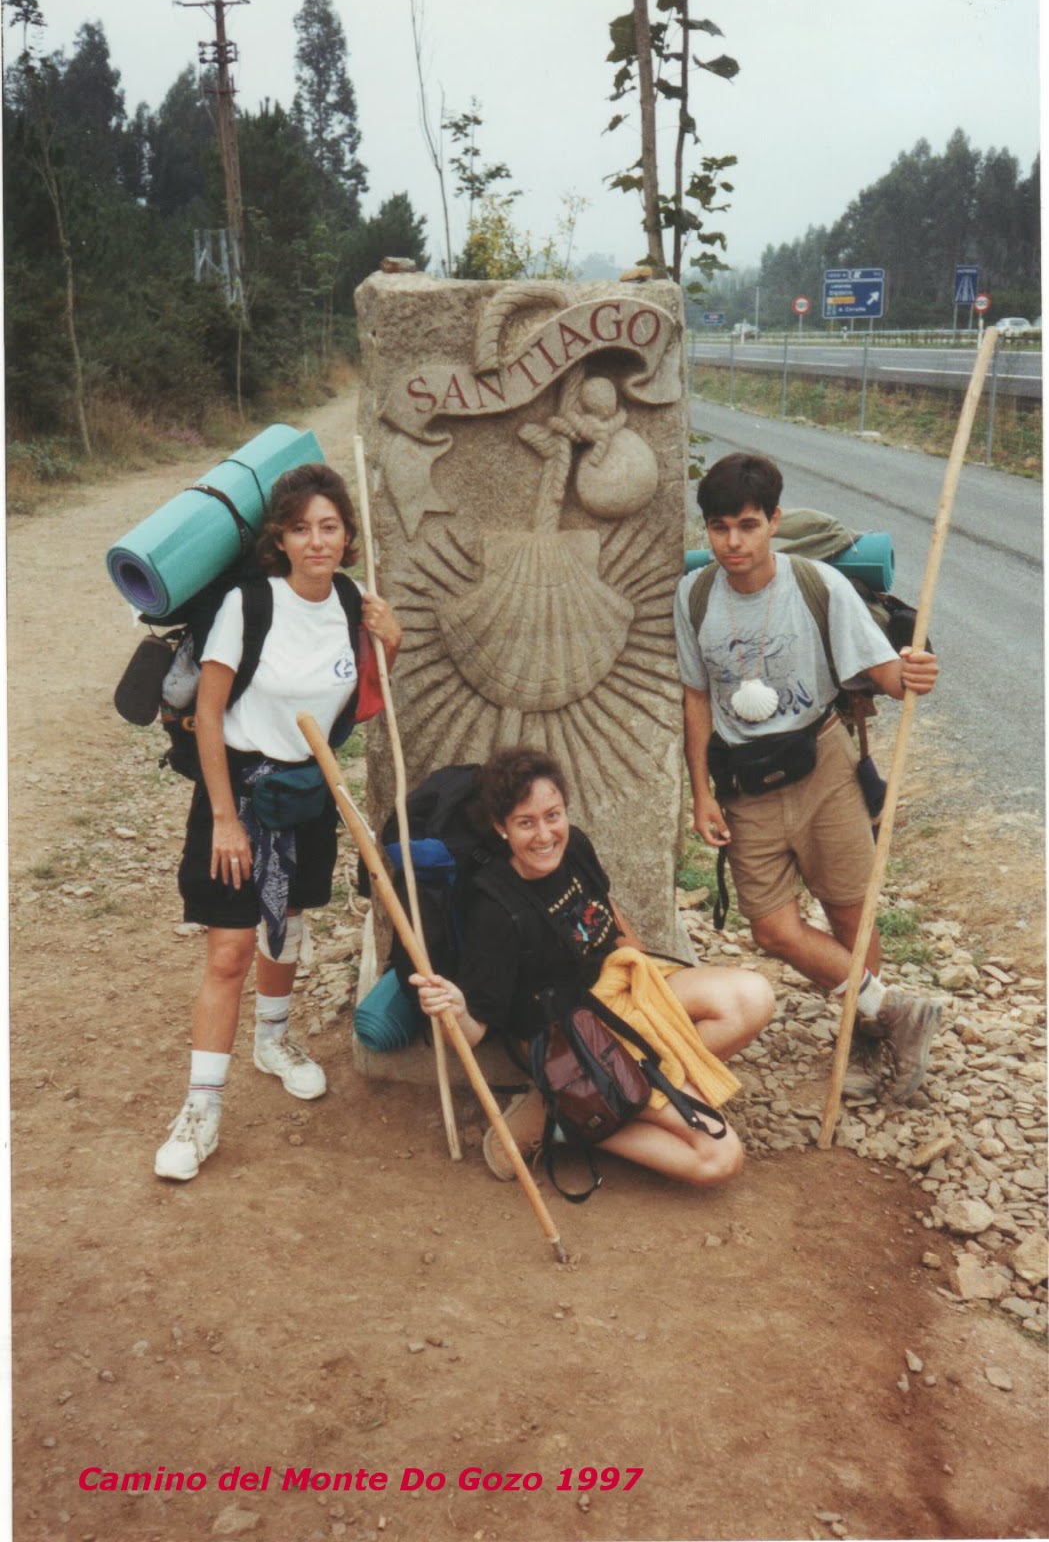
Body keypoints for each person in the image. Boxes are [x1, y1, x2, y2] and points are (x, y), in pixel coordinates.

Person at [155, 462, 402, 1181]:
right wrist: (225, 819)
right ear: (281, 539)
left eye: (329, 527)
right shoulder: (249, 605)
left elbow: (362, 704)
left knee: (288, 922)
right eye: (301, 529)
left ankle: (274, 1040)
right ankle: (200, 1111)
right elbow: (207, 712)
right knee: (229, 950)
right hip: (236, 788)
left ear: (347, 536)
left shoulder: (355, 602)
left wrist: (391, 643)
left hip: (307, 788)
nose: (316, 541)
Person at [674, 451, 940, 1103]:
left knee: (848, 913)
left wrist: (912, 673)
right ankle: (895, 1008)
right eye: (717, 528)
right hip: (744, 785)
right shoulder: (695, 594)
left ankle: (871, 1041)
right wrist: (700, 794)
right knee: (770, 928)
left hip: (821, 765)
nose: (731, 542)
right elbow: (695, 697)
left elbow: (880, 673)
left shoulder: (819, 586)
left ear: (773, 521)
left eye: (746, 525)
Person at [410, 746, 774, 1189]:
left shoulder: (575, 845)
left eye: (553, 815)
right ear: (501, 828)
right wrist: (452, 1006)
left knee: (752, 997)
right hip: (571, 1040)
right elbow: (478, 1032)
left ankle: (596, 1101)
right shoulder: (495, 911)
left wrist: (643, 965)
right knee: (720, 1159)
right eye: (526, 823)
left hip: (621, 994)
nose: (545, 835)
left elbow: (606, 908)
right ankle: (572, 1116)